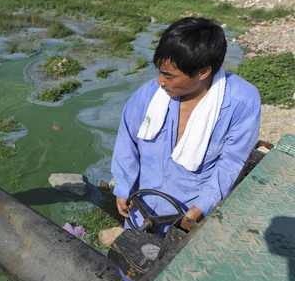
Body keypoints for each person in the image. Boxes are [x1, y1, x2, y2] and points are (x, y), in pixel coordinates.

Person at [111, 17, 261, 234]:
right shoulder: (148, 95)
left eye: (169, 76)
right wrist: (123, 187)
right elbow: (127, 142)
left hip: (188, 219)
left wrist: (199, 209)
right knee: (133, 263)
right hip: (141, 207)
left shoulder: (241, 102)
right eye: (159, 71)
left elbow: (231, 163)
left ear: (203, 72)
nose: (160, 81)